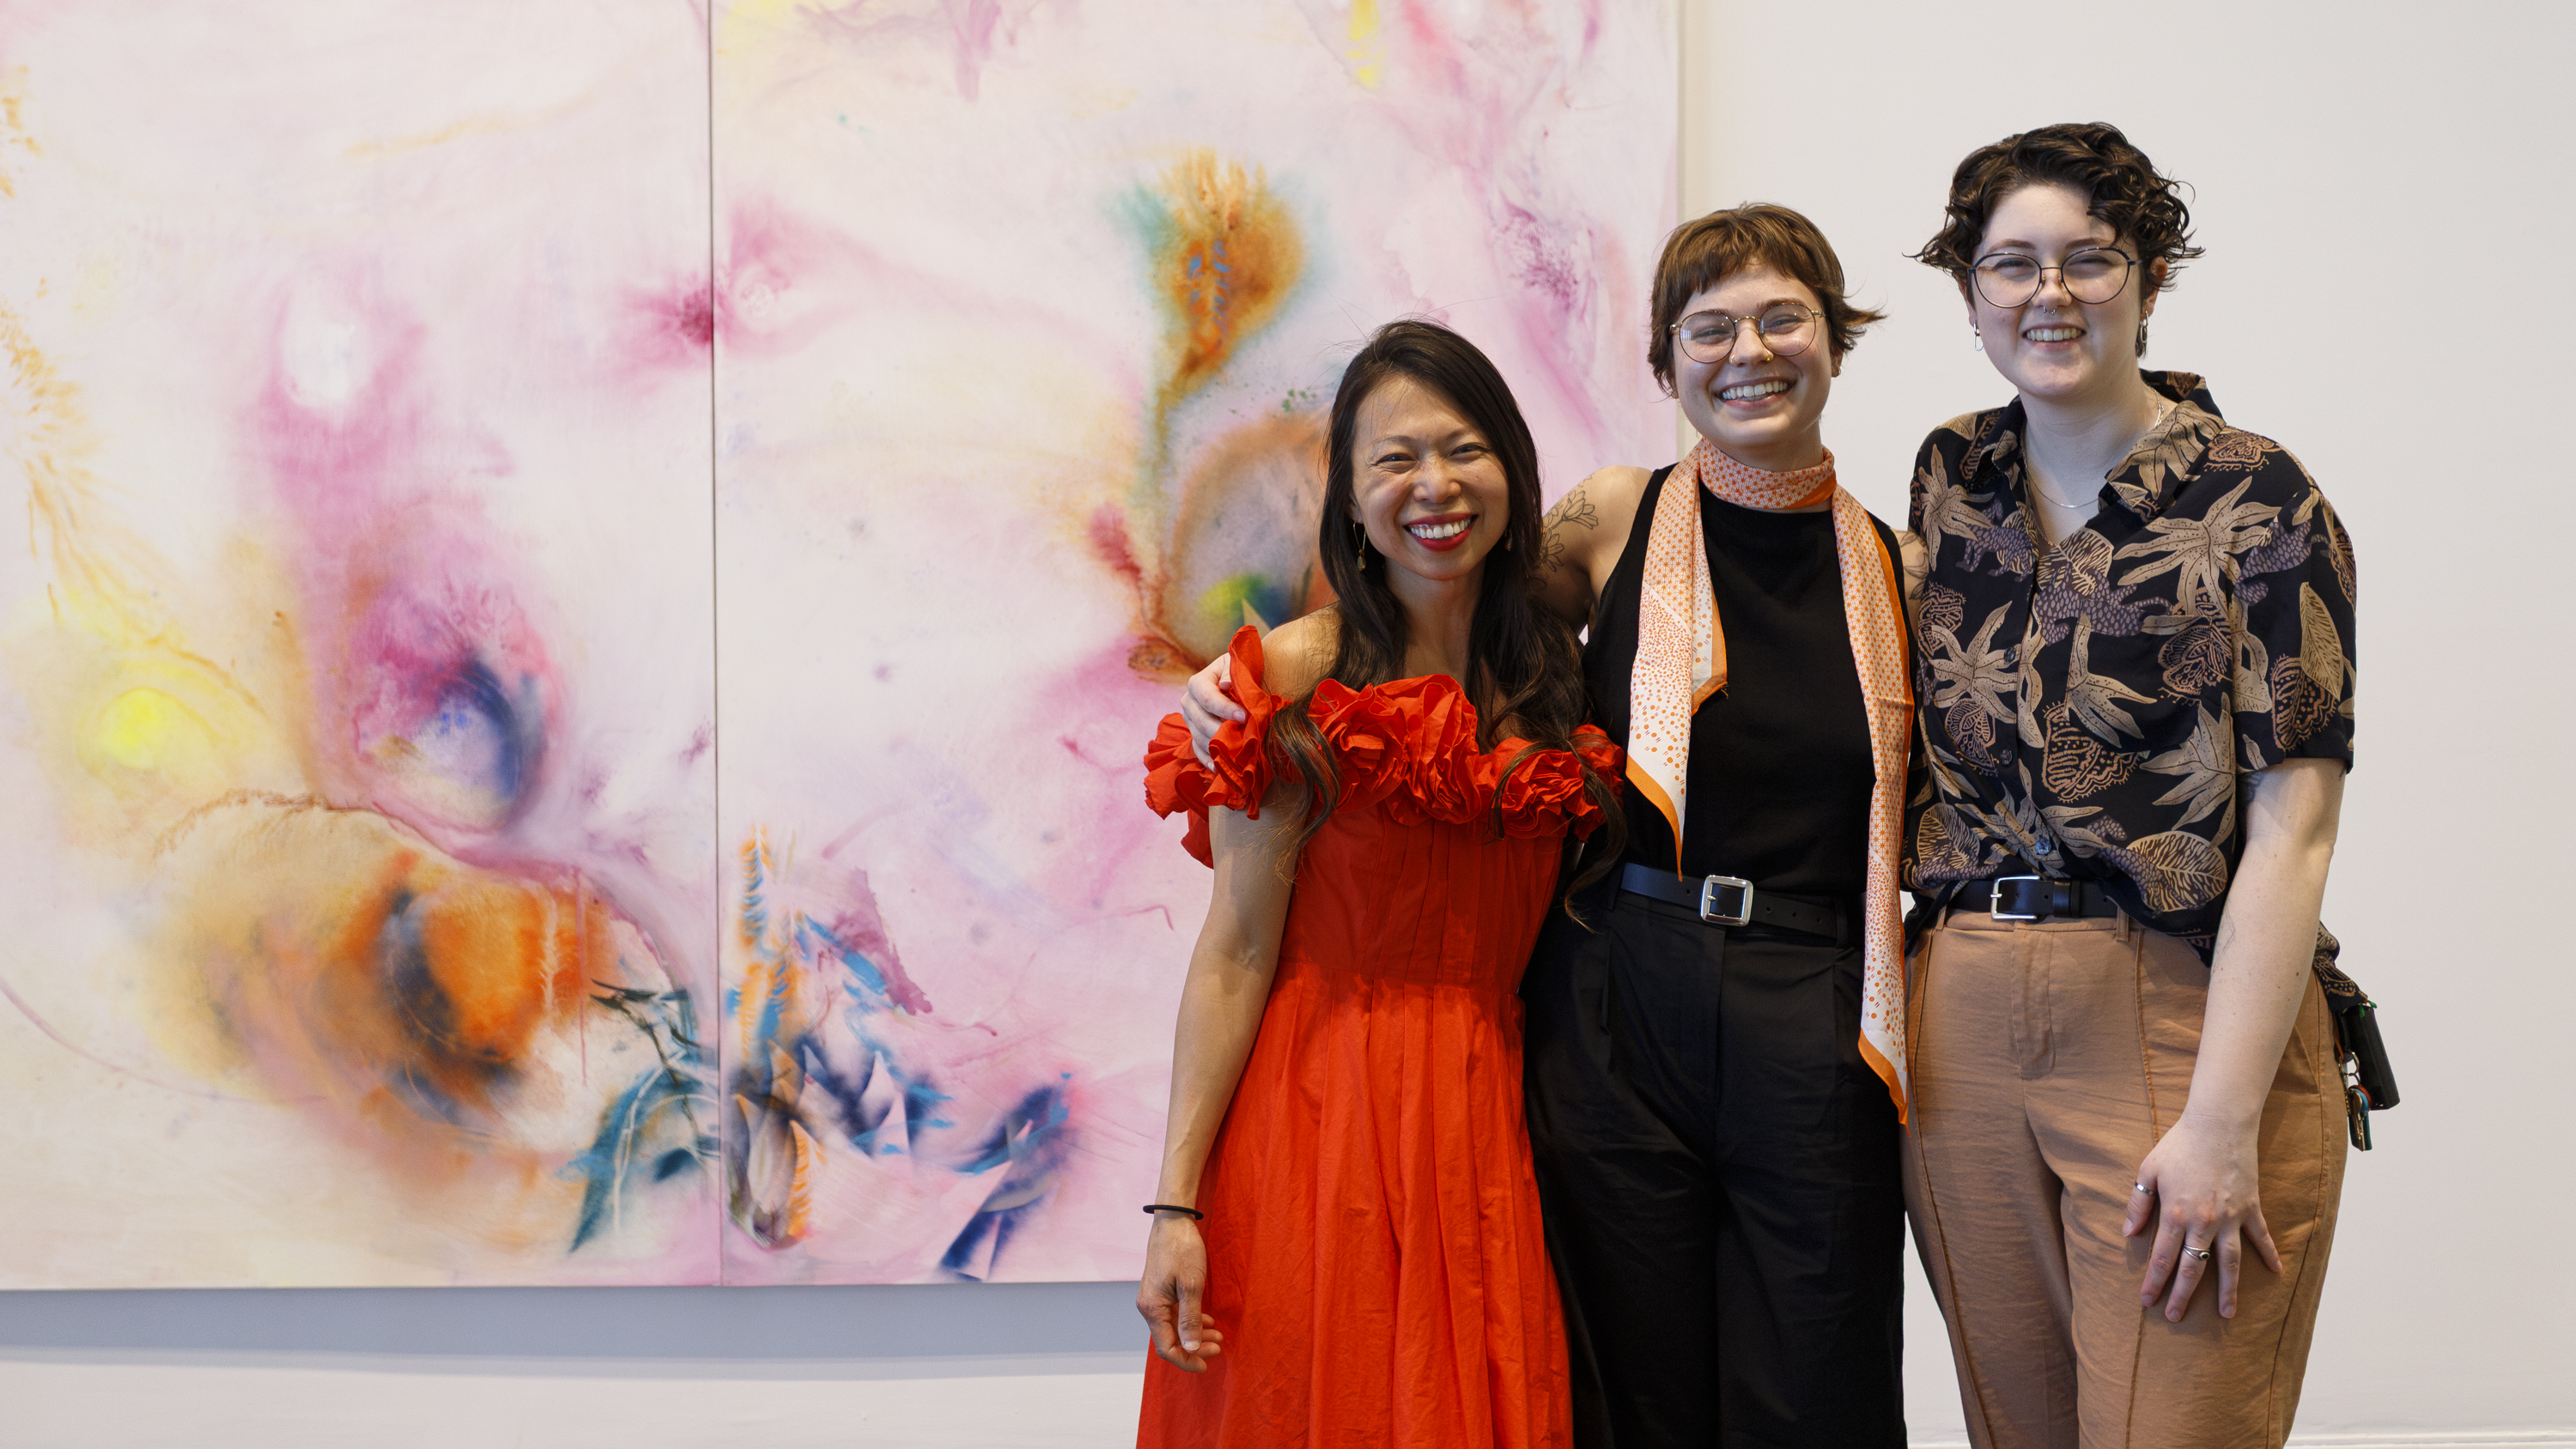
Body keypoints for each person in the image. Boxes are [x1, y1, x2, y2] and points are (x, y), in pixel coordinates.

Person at [1182, 204, 1917, 1446]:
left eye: (1783, 316)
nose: (1750, 349)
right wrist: (1261, 668)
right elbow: (1441, 601)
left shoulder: (1892, 565)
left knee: (1820, 1379)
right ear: (1667, 362)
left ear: (1835, 339)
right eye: (1709, 326)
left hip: (1813, 997)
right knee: (1630, 1382)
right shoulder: (1619, 517)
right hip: (1623, 991)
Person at [1900, 122, 2358, 1448]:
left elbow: (2296, 829)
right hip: (1966, 1018)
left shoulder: (2260, 498)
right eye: (2012, 264)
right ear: (1971, 292)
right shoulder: (1951, 478)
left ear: (2150, 280)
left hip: (2178, 1008)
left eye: (2089, 260)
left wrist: (2220, 1125)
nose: (2050, 293)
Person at [1133, 318, 1625, 1448]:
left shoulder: (1554, 675)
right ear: (1350, 503)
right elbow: (1235, 952)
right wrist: (1175, 1202)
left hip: (1498, 1119)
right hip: (1317, 1120)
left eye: (1463, 449)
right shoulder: (1292, 678)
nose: (1434, 486)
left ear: (1512, 469)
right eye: (1394, 461)